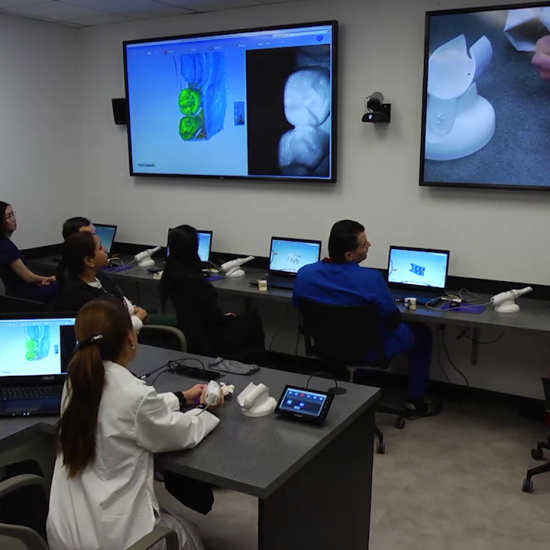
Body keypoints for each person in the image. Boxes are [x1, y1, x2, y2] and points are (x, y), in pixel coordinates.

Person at [47, 296, 222, 550]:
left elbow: (123, 412)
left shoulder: (76, 380)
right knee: (191, 536)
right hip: (116, 541)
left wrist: (180, 397)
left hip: (64, 535)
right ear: (130, 338)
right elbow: (182, 432)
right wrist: (207, 407)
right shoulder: (132, 394)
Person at [292, 220, 441, 419]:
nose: (369, 245)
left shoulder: (304, 274)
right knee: (422, 333)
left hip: (325, 346)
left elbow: (298, 306)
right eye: (364, 243)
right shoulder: (371, 279)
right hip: (369, 350)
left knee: (359, 332)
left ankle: (359, 387)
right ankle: (416, 402)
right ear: (349, 255)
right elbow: (393, 320)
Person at [162, 225, 265, 362]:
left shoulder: (169, 274)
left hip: (189, 333)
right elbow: (212, 319)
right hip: (210, 338)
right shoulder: (197, 283)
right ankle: (256, 365)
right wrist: (227, 318)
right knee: (252, 317)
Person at [55, 231, 147, 331]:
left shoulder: (100, 277)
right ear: (89, 261)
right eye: (100, 248)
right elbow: (111, 331)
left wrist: (132, 310)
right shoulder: (78, 295)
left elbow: (121, 300)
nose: (105, 249)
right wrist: (139, 318)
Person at [0, 201, 57, 302]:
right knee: (65, 285)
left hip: (16, 290)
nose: (14, 219)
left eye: (13, 214)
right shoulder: (5, 246)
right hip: (22, 292)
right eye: (9, 217)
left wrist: (40, 280)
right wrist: (50, 278)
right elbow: (27, 277)